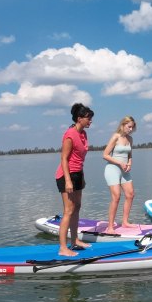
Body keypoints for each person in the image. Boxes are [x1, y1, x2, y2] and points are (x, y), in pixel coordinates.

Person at [56, 102, 93, 256]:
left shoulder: (83, 133)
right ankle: (63, 248)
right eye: (88, 118)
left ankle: (74, 240)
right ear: (79, 119)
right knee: (68, 210)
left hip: (78, 174)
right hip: (66, 175)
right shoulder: (70, 134)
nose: (90, 121)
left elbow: (79, 159)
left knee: (77, 207)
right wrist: (68, 181)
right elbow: (64, 159)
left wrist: (81, 177)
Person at [101, 116, 137, 234]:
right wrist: (120, 163)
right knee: (116, 196)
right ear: (123, 125)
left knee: (130, 194)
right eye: (129, 126)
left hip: (124, 170)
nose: (131, 129)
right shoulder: (116, 136)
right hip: (112, 169)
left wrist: (130, 162)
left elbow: (129, 154)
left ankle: (125, 222)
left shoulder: (130, 139)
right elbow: (105, 155)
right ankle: (110, 227)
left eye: (132, 127)